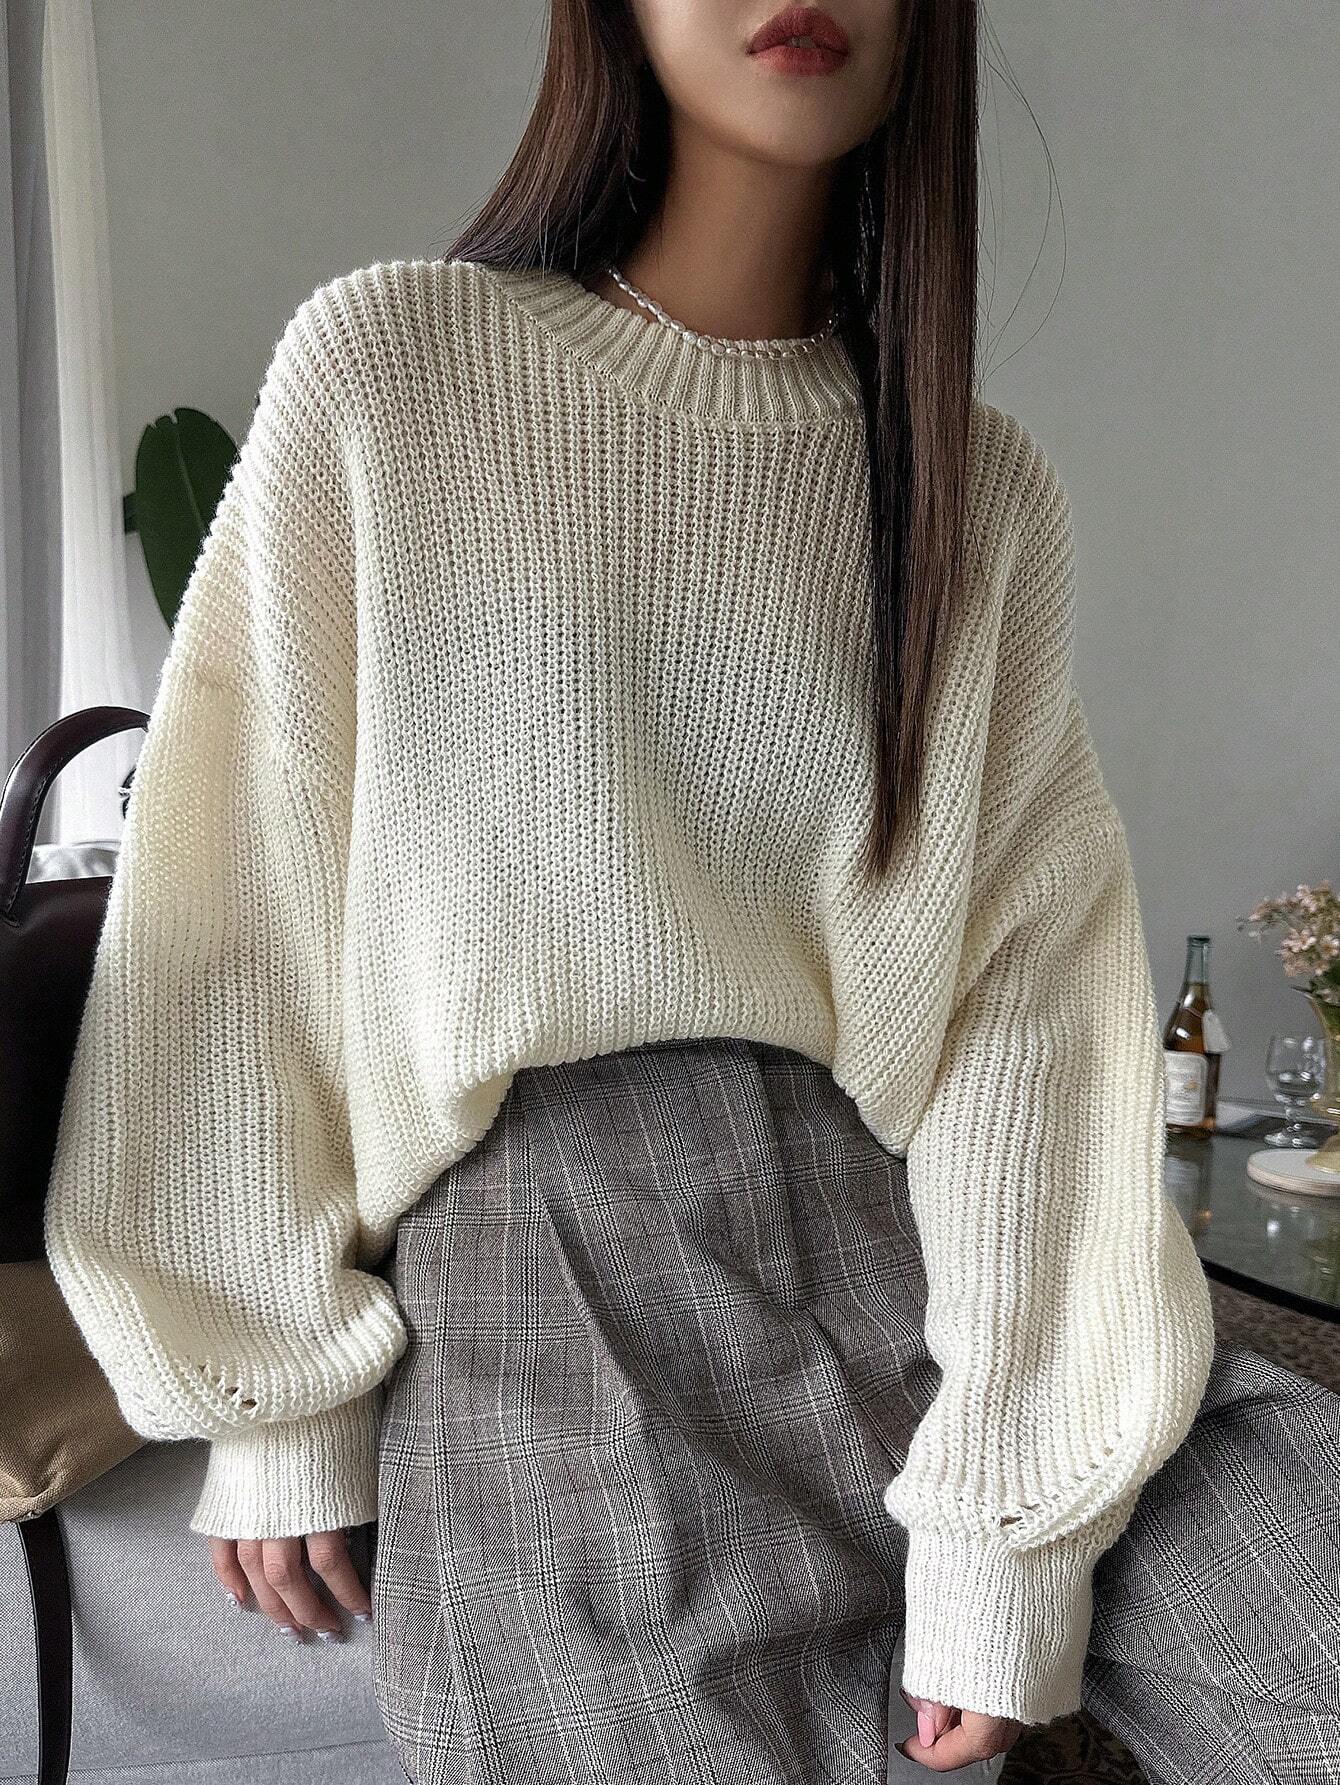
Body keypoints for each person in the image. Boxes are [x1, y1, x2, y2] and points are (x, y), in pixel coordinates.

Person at [43, 3, 1340, 1782]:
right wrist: (272, 1389)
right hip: (553, 1267)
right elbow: (237, 906)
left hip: (914, 1229)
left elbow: (1025, 1023)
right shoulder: (397, 370)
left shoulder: (977, 489)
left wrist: (1006, 1531)